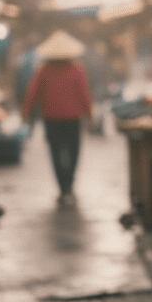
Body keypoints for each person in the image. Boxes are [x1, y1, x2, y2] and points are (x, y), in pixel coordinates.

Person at [22, 30, 93, 205]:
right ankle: (69, 185)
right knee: (73, 151)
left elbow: (33, 93)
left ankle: (63, 187)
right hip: (73, 119)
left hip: (51, 118)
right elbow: (84, 94)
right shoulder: (77, 70)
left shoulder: (44, 71)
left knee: (55, 152)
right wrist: (89, 114)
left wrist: (27, 112)